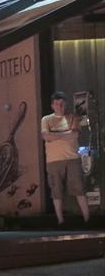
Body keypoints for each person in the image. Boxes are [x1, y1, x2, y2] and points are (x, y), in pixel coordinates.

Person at [40, 90, 90, 226]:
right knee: (56, 191)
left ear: (66, 104)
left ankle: (87, 218)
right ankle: (60, 220)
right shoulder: (46, 120)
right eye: (57, 104)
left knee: (79, 189)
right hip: (53, 161)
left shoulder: (72, 118)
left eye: (62, 104)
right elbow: (45, 136)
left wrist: (54, 136)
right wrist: (66, 135)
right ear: (52, 106)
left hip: (72, 159)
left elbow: (75, 135)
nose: (60, 106)